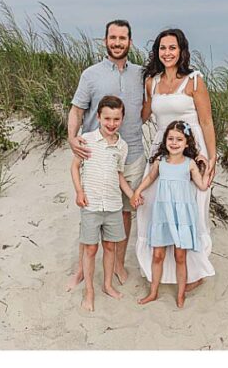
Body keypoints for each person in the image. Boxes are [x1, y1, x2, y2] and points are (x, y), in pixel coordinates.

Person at [66, 19, 146, 290]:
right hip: (95, 156)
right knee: (89, 212)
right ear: (105, 41)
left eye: (122, 38)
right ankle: (81, 269)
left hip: (132, 153)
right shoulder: (91, 74)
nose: (117, 42)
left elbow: (147, 108)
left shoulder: (141, 73)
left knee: (123, 213)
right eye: (113, 38)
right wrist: (71, 138)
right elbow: (77, 110)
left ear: (130, 42)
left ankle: (118, 265)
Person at [136, 28, 217, 290]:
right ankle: (161, 269)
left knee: (192, 208)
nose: (167, 53)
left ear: (181, 51)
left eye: (172, 48)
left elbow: (206, 120)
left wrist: (212, 157)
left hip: (193, 149)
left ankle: (195, 271)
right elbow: (143, 116)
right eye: (162, 48)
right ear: (157, 52)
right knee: (152, 204)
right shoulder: (152, 81)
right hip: (162, 147)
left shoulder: (194, 80)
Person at [131, 121, 209, 307]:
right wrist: (137, 191)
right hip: (162, 214)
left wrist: (205, 166)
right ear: (165, 140)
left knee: (180, 256)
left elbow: (202, 185)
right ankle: (153, 292)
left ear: (187, 143)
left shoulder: (189, 164)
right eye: (171, 139)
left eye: (179, 139)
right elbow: (150, 178)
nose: (174, 143)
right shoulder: (161, 162)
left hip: (181, 217)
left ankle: (181, 294)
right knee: (158, 255)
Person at [69, 96, 136, 311]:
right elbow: (74, 167)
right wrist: (79, 191)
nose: (111, 123)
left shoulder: (122, 146)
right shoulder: (86, 139)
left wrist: (132, 195)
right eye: (107, 118)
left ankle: (107, 285)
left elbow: (119, 175)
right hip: (91, 205)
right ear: (98, 117)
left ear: (122, 119)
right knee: (90, 249)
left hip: (113, 205)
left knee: (110, 246)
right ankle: (89, 291)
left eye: (116, 119)